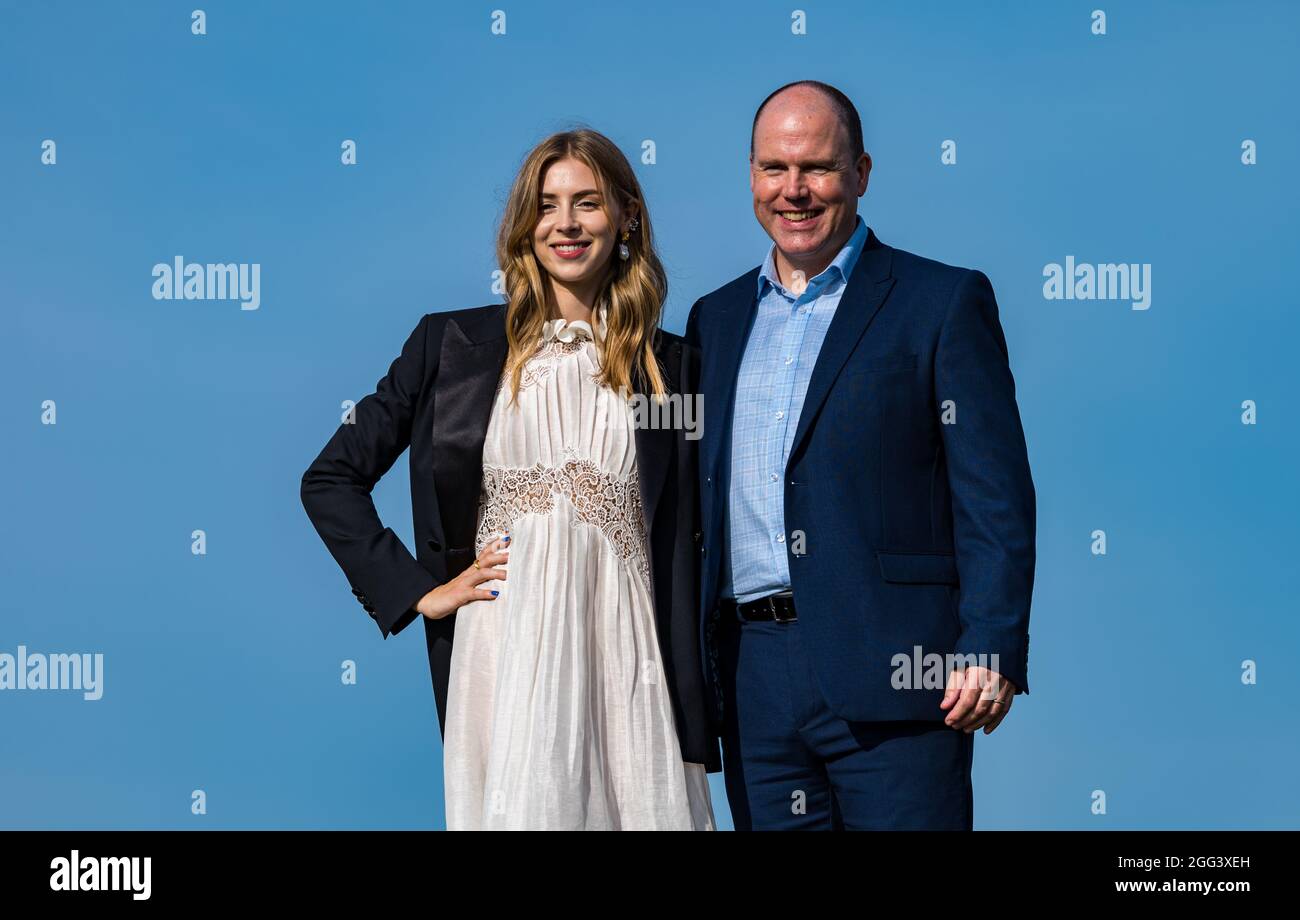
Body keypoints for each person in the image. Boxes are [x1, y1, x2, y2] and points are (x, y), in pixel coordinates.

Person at [301, 128, 718, 830]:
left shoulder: (676, 367)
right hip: (504, 644)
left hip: (635, 654)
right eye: (547, 204)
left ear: (626, 217)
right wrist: (418, 592)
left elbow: (716, 520)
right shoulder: (450, 345)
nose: (566, 223)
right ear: (524, 224)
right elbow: (330, 478)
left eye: (586, 203)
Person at [686, 81, 1036, 830]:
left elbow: (994, 493)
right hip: (752, 683)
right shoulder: (712, 321)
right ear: (751, 176)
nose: (795, 190)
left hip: (902, 675)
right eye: (775, 168)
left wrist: (994, 644)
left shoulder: (940, 301)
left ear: (861, 173)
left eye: (817, 167)